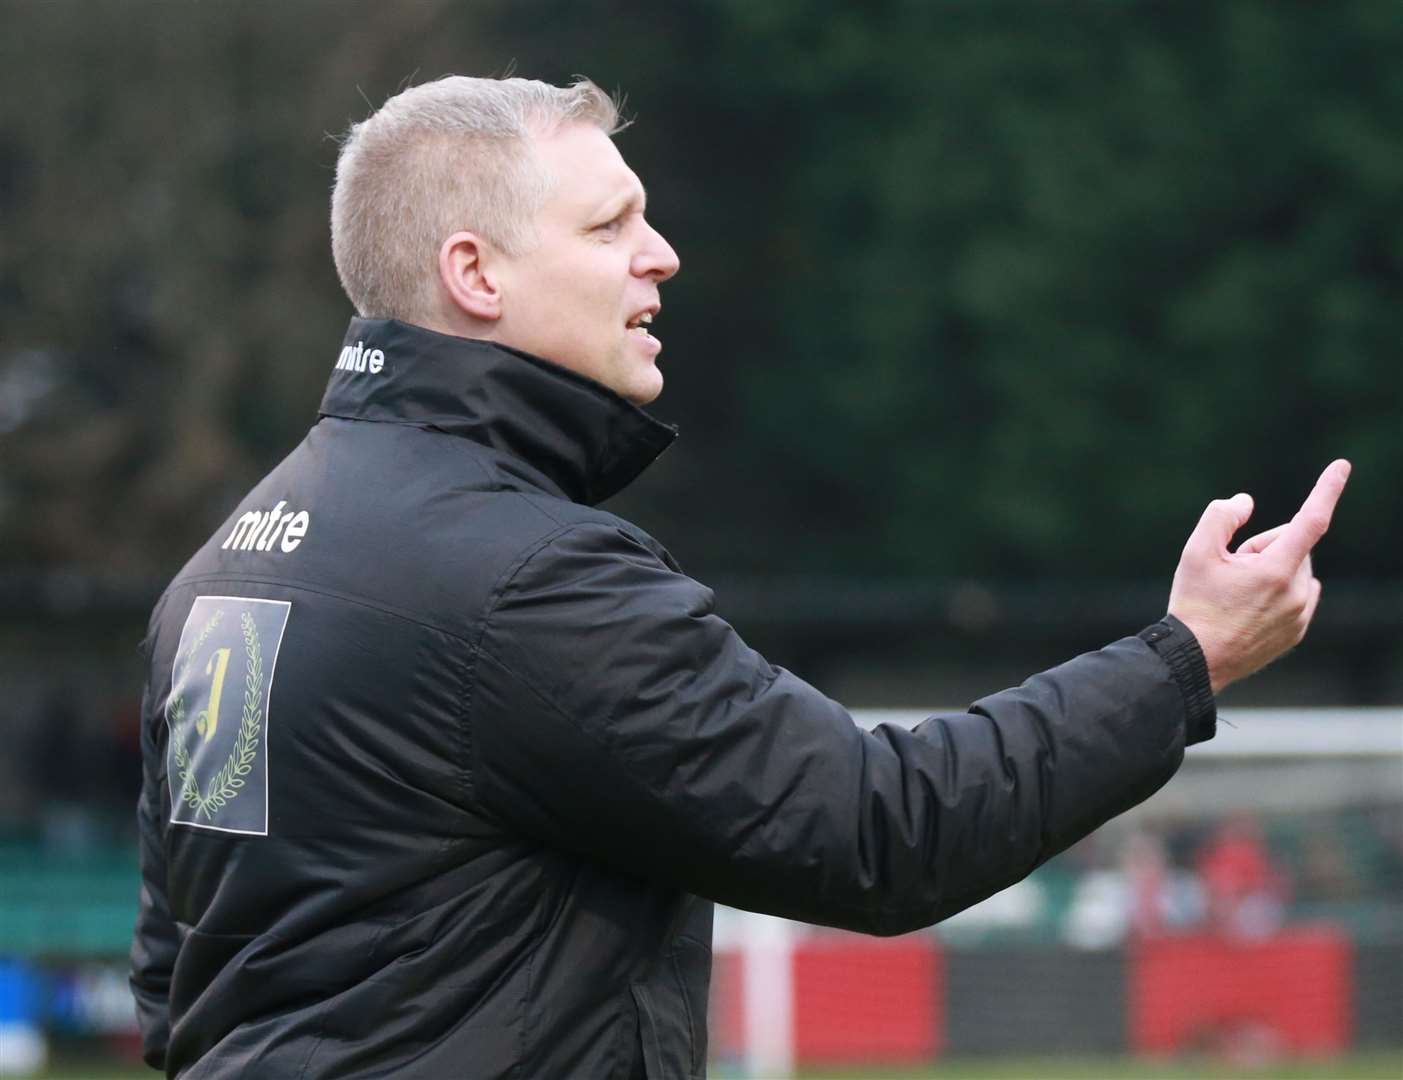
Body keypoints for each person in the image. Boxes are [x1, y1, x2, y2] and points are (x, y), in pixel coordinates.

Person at [129, 75, 1350, 1079]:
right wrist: (1185, 656)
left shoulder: (224, 564)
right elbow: (880, 831)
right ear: (476, 274)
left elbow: (177, 968)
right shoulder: (525, 580)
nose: (660, 256)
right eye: (607, 227)